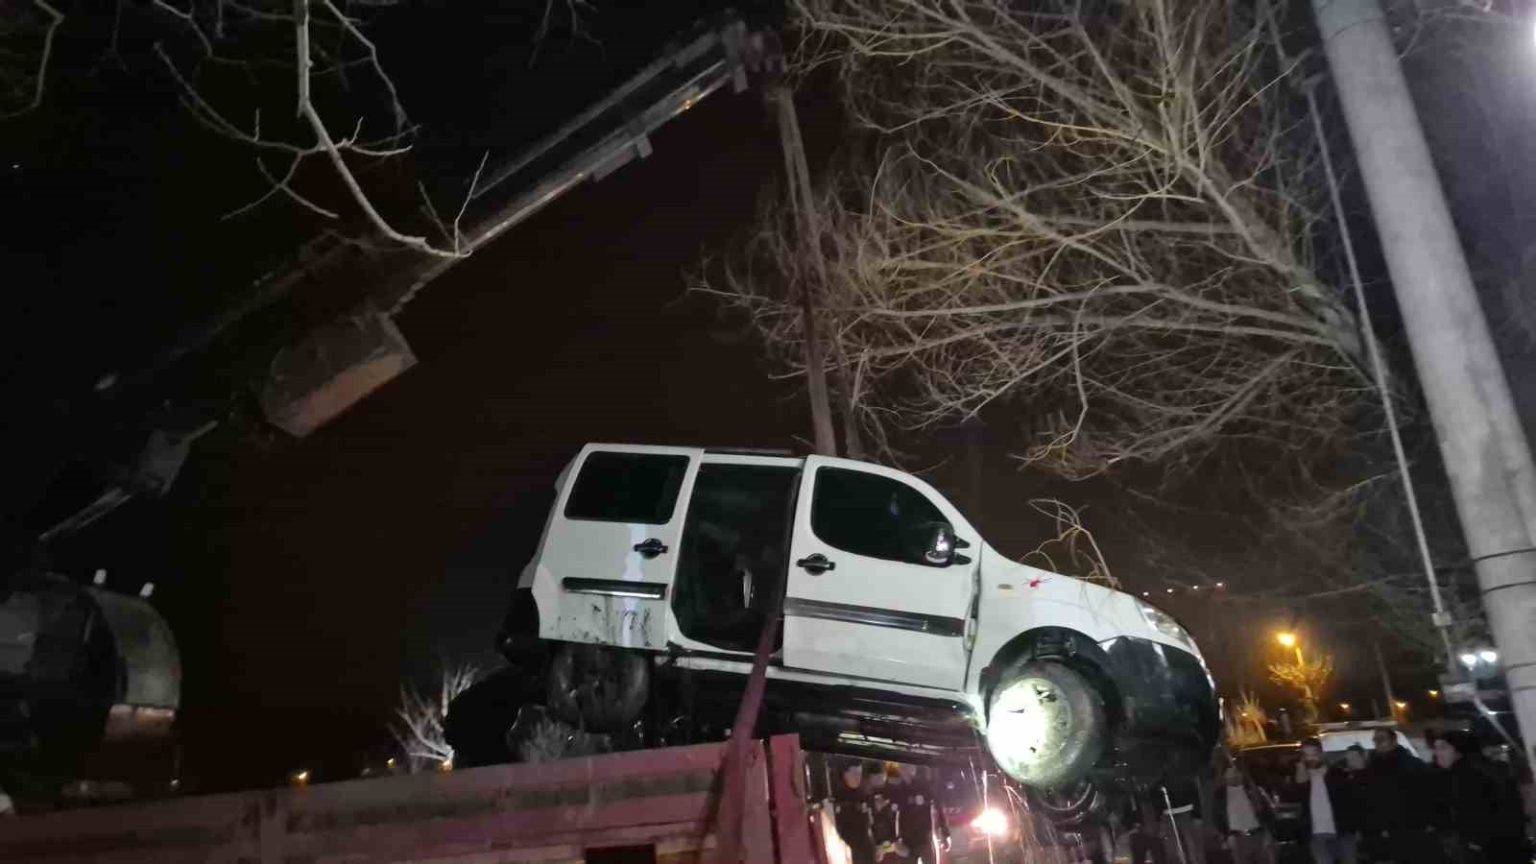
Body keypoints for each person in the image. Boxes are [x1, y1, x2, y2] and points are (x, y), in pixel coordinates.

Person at [1429, 731, 1530, 864]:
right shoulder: (1489, 768)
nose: (1437, 753)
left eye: (1443, 748)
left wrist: (1476, 843)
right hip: (1511, 846)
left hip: (1490, 849)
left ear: (1459, 751)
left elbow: (1474, 815)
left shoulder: (1465, 778)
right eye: (1435, 748)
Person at [1364, 727, 1439, 864]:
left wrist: (1430, 822)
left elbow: (1428, 795)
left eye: (1382, 739)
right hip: (1388, 830)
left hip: (1415, 827)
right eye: (1375, 740)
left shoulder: (1413, 765)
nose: (1378, 743)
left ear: (1394, 741)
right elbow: (1372, 799)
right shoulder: (1372, 768)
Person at [1290, 738, 1359, 864]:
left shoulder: (1337, 774)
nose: (1311, 759)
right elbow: (1295, 797)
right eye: (1306, 755)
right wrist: (1300, 772)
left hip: (1342, 830)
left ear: (1321, 754)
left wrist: (1354, 827)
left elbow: (1351, 801)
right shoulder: (1303, 777)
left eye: (1314, 754)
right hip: (1316, 834)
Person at [889, 763, 950, 864]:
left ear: (913, 769)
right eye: (903, 768)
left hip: (925, 838)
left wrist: (945, 833)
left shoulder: (924, 787)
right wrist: (895, 841)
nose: (906, 771)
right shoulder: (898, 791)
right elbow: (891, 816)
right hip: (907, 841)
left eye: (908, 767)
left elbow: (938, 808)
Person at [1216, 760, 1275, 864]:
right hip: (1237, 839)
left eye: (1236, 771)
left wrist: (1269, 833)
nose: (1234, 775)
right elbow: (1218, 817)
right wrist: (1225, 837)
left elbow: (1267, 812)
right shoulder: (1220, 795)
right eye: (1230, 772)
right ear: (1224, 776)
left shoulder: (1253, 790)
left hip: (1258, 835)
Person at [834, 761, 877, 864]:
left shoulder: (865, 795)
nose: (857, 777)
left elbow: (870, 822)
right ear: (845, 774)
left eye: (859, 774)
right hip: (846, 850)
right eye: (854, 773)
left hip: (866, 849)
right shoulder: (837, 797)